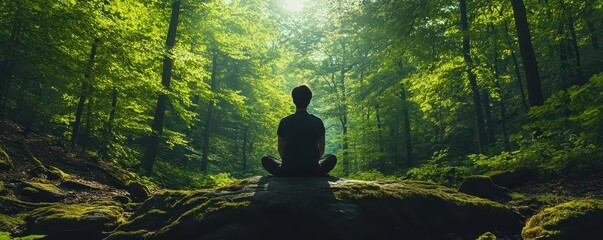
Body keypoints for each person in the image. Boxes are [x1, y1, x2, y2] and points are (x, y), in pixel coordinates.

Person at [262, 84, 337, 177]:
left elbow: (280, 149)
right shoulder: (317, 121)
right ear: (309, 100)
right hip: (312, 170)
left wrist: (288, 164)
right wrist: (313, 164)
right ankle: (312, 171)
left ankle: (288, 171)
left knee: (266, 159)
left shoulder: (284, 121)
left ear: (293, 100)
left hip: (288, 170)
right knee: (331, 158)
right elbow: (321, 148)